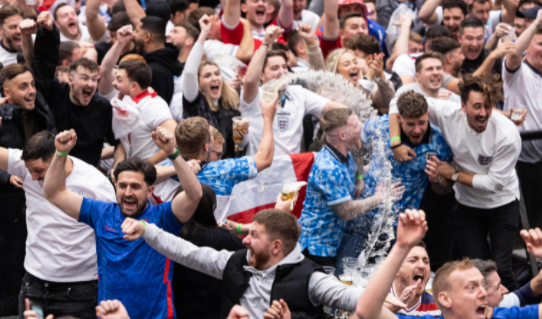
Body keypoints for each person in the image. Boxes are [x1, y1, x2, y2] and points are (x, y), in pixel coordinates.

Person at [42, 127, 203, 319]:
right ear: (115, 186)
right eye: (122, 186)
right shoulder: (100, 213)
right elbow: (54, 192)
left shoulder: (163, 217)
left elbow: (195, 195)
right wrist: (60, 152)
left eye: (135, 187)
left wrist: (172, 152)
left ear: (150, 191)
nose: (128, 193)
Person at [388, 74, 522, 291]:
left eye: (488, 106)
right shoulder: (448, 113)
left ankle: (521, 310)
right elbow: (398, 98)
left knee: (502, 271)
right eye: (476, 106)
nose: (483, 113)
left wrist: (454, 174)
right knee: (476, 271)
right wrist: (395, 143)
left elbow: (494, 184)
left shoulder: (507, 134)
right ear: (462, 105)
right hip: (467, 207)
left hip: (502, 204)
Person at [121, 208, 369, 318]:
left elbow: (355, 300)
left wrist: (384, 298)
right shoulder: (234, 262)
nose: (245, 240)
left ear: (276, 247)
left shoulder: (310, 279)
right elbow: (187, 252)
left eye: (254, 235)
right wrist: (145, 229)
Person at [0, 131, 116, 319]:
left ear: (58, 158)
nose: (33, 176)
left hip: (79, 291)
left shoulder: (96, 184)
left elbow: (112, 235)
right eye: (30, 170)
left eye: (39, 170)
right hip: (35, 286)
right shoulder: (26, 168)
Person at [335, 90, 452, 273]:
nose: (417, 129)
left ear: (428, 115)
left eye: (421, 122)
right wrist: (359, 176)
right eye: (410, 124)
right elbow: (353, 143)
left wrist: (436, 180)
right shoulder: (380, 127)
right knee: (344, 276)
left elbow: (445, 189)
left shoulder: (438, 143)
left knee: (387, 285)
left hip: (396, 228)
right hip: (361, 217)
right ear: (398, 119)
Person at [352, 210, 542, 319]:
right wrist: (401, 247)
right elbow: (365, 312)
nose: (483, 293)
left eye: (482, 287)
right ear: (445, 298)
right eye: (471, 287)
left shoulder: (500, 316)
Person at [154, 93, 277, 223]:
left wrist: (176, 168)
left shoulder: (163, 169)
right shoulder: (224, 170)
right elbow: (265, 158)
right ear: (206, 147)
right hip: (210, 240)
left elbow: (145, 173)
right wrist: (268, 118)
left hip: (169, 239)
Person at [22, 12, 119, 167]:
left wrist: (116, 167)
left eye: (94, 79)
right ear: (70, 80)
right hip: (53, 169)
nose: (90, 84)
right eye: (84, 78)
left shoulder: (103, 106)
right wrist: (48, 31)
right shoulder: (56, 93)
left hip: (87, 175)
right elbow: (40, 67)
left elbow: (118, 143)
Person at [298, 108, 391, 266]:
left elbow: (357, 157)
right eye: (356, 126)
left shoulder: (344, 151)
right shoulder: (328, 168)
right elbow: (346, 211)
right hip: (315, 249)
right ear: (343, 135)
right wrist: (378, 199)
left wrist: (360, 178)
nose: (361, 127)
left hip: (330, 246)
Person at [0, 63, 57, 317]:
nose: (31, 91)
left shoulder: (41, 114)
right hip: (7, 212)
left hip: (38, 210)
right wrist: (6, 176)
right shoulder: (3, 117)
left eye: (32, 84)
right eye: (23, 87)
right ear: (7, 92)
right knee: (10, 274)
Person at [241, 25, 345, 156]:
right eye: (274, 68)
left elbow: (331, 106)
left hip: (292, 172)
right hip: (261, 174)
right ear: (261, 75)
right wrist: (266, 43)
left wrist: (352, 117)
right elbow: (250, 81)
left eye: (284, 67)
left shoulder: (298, 93)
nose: (282, 72)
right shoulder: (255, 96)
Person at [173, 183, 245, 319]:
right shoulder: (224, 238)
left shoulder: (168, 237)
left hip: (178, 311)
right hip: (218, 312)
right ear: (211, 207)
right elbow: (253, 255)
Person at [502, 9, 542, 229]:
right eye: (541, 44)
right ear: (529, 47)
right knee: (526, 223)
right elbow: (514, 52)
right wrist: (535, 24)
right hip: (520, 160)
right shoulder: (516, 72)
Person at [182, 15, 241, 159]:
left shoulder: (230, 104)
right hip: (201, 170)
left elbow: (240, 145)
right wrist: (203, 33)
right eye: (207, 76)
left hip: (228, 170)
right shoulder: (194, 103)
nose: (214, 78)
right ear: (199, 84)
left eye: (217, 74)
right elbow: (189, 73)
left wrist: (243, 132)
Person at [111, 60, 177, 167]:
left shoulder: (153, 106)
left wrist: (145, 165)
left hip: (153, 179)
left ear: (133, 86)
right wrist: (117, 167)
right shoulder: (128, 101)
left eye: (119, 80)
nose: (113, 83)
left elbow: (177, 139)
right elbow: (123, 142)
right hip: (130, 173)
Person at [325, 48, 395, 114]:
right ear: (335, 71)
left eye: (355, 62)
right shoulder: (328, 91)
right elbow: (349, 108)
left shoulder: (369, 87)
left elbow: (387, 107)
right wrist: (369, 76)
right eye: (346, 64)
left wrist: (380, 76)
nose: (354, 66)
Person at [134, 16, 184, 105]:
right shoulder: (166, 60)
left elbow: (154, 109)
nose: (134, 35)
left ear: (147, 37)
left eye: (137, 31)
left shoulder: (154, 72)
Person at [388, 242, 440, 317]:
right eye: (413, 260)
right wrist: (396, 306)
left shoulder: (438, 307)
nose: (422, 266)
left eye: (426, 262)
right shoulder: (377, 298)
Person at [471, 259, 542, 308]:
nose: (506, 290)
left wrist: (538, 281)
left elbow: (522, 296)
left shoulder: (494, 304)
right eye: (498, 287)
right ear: (480, 295)